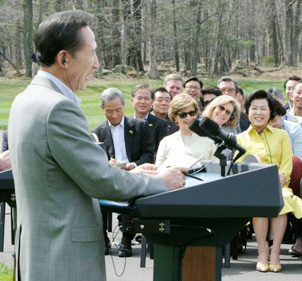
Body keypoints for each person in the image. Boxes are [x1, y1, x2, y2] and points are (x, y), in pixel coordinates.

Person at [8, 11, 186, 281]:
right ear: (64, 58)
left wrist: (133, 174)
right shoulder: (57, 108)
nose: (96, 64)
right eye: (92, 53)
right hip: (63, 257)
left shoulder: (26, 99)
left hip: (41, 250)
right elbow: (102, 181)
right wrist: (162, 181)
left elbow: (63, 173)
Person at [236, 90, 302, 273]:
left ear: (270, 112)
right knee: (260, 200)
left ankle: (275, 252)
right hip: (252, 188)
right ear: (247, 112)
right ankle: (262, 252)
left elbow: (286, 165)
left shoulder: (281, 136)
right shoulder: (240, 139)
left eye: (263, 109)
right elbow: (239, 168)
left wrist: (280, 179)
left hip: (279, 185)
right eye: (254, 109)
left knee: (280, 199)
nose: (258, 113)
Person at [92, 87, 155, 257]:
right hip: (109, 176)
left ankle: (126, 239)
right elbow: (95, 159)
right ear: (102, 109)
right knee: (96, 195)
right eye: (109, 111)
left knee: (131, 192)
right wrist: (107, 163)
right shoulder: (97, 132)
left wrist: (132, 165)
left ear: (124, 105)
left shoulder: (140, 126)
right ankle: (102, 239)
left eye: (118, 110)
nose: (114, 115)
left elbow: (149, 153)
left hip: (134, 173)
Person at [156, 94, 216, 167]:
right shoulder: (166, 142)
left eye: (192, 113)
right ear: (175, 117)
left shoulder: (209, 139)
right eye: (183, 115)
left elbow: (216, 168)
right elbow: (159, 169)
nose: (188, 118)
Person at [131, 84, 168, 153]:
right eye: (139, 98)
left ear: (152, 102)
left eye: (147, 99)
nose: (142, 102)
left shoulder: (161, 124)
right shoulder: (125, 122)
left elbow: (161, 151)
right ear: (132, 101)